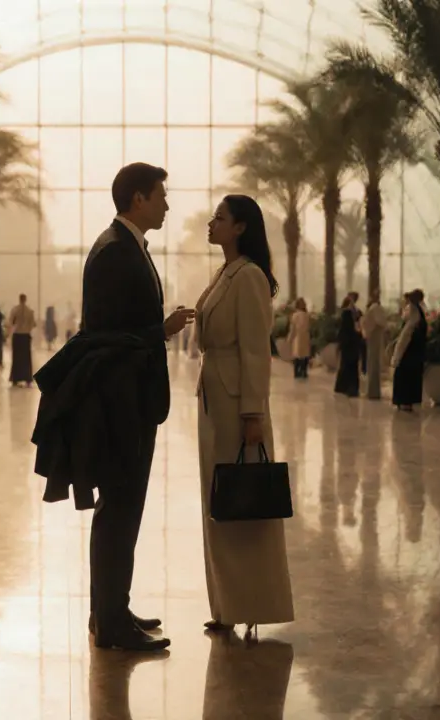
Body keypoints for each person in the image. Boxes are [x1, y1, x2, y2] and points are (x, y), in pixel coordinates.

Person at [33, 162, 195, 653]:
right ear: (138, 198)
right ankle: (110, 622)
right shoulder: (114, 253)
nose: (167, 204)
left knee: (123, 510)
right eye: (161, 195)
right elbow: (105, 336)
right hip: (119, 402)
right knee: (119, 510)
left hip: (131, 400)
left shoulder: (127, 248)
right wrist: (160, 331)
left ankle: (110, 609)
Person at [194, 194, 294, 635]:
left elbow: (257, 350)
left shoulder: (250, 277)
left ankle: (252, 603)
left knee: (242, 504)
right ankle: (227, 605)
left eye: (219, 218)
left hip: (238, 406)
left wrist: (253, 412)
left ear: (239, 228)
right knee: (219, 502)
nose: (210, 224)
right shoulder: (225, 273)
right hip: (214, 398)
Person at [391, 289, 427, 411]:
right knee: (409, 374)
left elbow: (408, 329)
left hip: (410, 348)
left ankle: (404, 400)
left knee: (405, 374)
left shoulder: (413, 309)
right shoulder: (415, 310)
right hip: (413, 348)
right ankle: (407, 400)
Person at [333, 295, 362, 397]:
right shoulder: (353, 314)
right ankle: (351, 388)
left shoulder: (345, 314)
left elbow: (342, 330)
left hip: (348, 343)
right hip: (352, 343)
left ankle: (343, 387)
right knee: (351, 366)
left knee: (346, 365)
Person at [8, 294, 38, 387]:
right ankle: (27, 378)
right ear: (25, 299)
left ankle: (15, 379)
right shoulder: (30, 311)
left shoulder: (15, 310)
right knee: (26, 358)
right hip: (26, 336)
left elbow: (10, 322)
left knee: (16, 357)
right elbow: (33, 324)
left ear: (19, 299)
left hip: (17, 335)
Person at [362, 300, 389, 399]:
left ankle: (372, 392)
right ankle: (374, 391)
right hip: (375, 340)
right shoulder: (377, 310)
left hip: (373, 339)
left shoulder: (373, 310)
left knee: (373, 365)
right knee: (374, 365)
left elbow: (367, 324)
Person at [287, 297, 311, 378]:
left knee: (297, 355)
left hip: (297, 337)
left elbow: (292, 328)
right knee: (304, 355)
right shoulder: (306, 315)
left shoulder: (295, 315)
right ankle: (304, 372)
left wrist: (289, 339)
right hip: (305, 337)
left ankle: (297, 372)